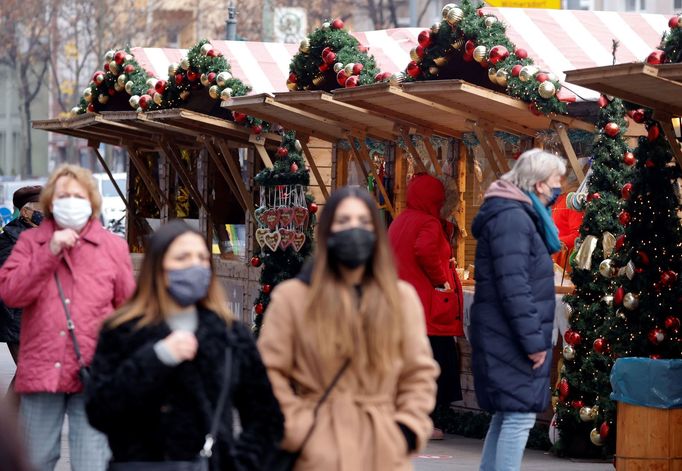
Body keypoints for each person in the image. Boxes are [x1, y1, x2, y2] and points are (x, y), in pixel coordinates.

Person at [258, 186, 439, 471]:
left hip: (383, 452)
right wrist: (297, 429)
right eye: (343, 222)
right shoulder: (294, 298)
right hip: (315, 453)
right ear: (327, 231)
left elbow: (419, 374)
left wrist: (406, 430)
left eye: (363, 222)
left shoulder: (400, 298)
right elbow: (268, 373)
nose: (353, 230)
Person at [85, 219, 283, 470]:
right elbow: (99, 410)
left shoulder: (230, 334)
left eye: (202, 259)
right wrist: (157, 358)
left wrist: (239, 463)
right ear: (158, 267)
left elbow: (265, 417)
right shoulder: (123, 331)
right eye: (182, 258)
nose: (195, 266)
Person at [0, 164, 136, 471]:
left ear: (91, 201)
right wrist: (48, 252)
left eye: (78, 195)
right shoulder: (29, 243)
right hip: (42, 369)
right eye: (63, 195)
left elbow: (127, 309)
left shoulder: (112, 246)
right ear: (50, 202)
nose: (71, 201)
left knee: (91, 460)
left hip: (92, 369)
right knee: (37, 459)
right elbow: (11, 293)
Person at [470, 149, 566, 471]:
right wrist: (534, 344)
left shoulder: (514, 213)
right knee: (518, 418)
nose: (558, 188)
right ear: (539, 184)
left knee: (508, 414)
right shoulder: (513, 217)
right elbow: (515, 287)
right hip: (510, 338)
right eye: (555, 181)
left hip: (504, 334)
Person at [387, 173, 464, 440]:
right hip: (426, 310)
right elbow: (425, 251)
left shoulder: (400, 221)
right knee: (432, 364)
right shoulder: (429, 223)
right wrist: (442, 280)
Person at [0, 185, 43, 398]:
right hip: (17, 319)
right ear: (25, 211)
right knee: (28, 373)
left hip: (39, 319)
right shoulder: (9, 240)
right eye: (42, 207)